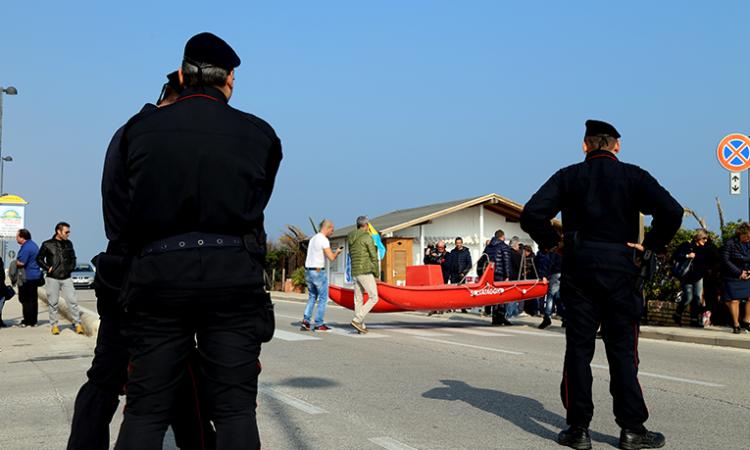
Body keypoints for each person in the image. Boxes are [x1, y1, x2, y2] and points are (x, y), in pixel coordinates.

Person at [109, 33, 281, 449]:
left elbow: (119, 213)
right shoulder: (260, 135)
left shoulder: (138, 130)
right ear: (230, 80)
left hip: (158, 277)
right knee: (236, 409)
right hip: (232, 279)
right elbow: (256, 205)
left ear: (183, 76)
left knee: (146, 410)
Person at [67, 71, 216, 450]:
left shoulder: (129, 130)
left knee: (107, 379)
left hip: (121, 275)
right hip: (150, 277)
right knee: (182, 376)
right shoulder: (154, 137)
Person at [521, 119, 682, 449]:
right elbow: (672, 211)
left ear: (585, 145)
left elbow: (532, 214)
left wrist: (554, 242)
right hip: (622, 270)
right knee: (623, 352)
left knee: (578, 350)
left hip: (579, 269)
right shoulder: (634, 175)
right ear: (617, 146)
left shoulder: (568, 176)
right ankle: (632, 429)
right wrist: (652, 246)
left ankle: (578, 430)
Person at [37, 222, 84, 335]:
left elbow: (73, 258)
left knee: (72, 301)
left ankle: (77, 324)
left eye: (69, 232)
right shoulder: (47, 244)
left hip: (66, 277)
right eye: (66, 232)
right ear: (58, 231)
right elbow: (39, 259)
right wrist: (47, 268)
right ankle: (54, 326)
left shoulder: (69, 244)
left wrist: (70, 268)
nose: (68, 234)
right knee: (53, 303)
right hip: (53, 278)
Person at [301, 219, 341, 332]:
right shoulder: (324, 239)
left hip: (308, 271)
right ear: (327, 228)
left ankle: (306, 321)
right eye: (332, 230)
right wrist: (337, 252)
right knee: (323, 298)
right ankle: (319, 323)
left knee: (312, 297)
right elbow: (331, 258)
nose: (332, 232)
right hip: (318, 272)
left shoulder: (313, 238)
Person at [347, 216, 379, 333]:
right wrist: (376, 272)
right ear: (366, 225)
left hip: (355, 270)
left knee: (358, 299)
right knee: (374, 297)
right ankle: (357, 319)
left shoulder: (350, 236)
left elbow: (350, 254)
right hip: (365, 270)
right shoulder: (367, 237)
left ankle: (361, 326)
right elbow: (373, 256)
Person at [672, 229, 709, 327]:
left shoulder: (704, 248)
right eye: (704, 238)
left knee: (697, 298)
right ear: (698, 237)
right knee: (688, 297)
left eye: (706, 238)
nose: (705, 240)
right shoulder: (687, 245)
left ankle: (694, 320)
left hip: (699, 276)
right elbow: (675, 256)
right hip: (687, 276)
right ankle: (677, 314)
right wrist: (687, 255)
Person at [720, 223, 750, 334]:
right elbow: (725, 260)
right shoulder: (730, 243)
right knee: (734, 300)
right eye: (746, 236)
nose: (748, 239)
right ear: (741, 234)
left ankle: (746, 321)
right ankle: (736, 324)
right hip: (732, 275)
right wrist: (738, 273)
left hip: (747, 273)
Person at [482, 230, 514, 326]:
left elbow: (483, 260)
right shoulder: (504, 246)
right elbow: (506, 262)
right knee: (502, 296)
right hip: (501, 275)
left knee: (494, 296)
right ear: (502, 236)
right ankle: (501, 317)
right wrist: (508, 276)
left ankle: (495, 318)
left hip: (490, 275)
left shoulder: (488, 247)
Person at [15, 229, 43, 327]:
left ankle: (27, 321)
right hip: (35, 275)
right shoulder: (33, 245)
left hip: (27, 277)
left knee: (25, 299)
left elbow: (22, 262)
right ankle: (33, 321)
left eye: (17, 236)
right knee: (33, 299)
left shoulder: (26, 248)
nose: (16, 238)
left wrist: (15, 263)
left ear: (22, 237)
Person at [535, 247, 562, 329]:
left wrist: (544, 275)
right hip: (561, 273)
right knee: (558, 296)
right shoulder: (562, 250)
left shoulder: (551, 253)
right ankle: (565, 317)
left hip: (555, 273)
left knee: (550, 296)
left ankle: (547, 317)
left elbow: (548, 264)